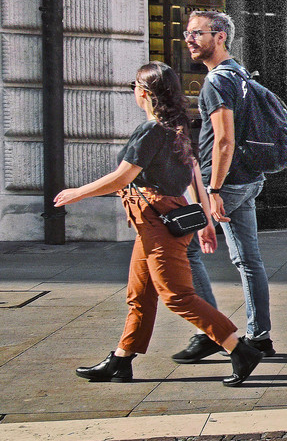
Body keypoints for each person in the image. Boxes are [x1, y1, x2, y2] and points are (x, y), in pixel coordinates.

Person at [54, 62, 266, 386]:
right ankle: (121, 360)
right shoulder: (177, 127)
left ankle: (239, 349)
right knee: (139, 295)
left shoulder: (151, 130)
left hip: (158, 220)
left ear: (144, 92)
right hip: (161, 218)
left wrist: (78, 193)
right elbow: (195, 174)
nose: (134, 93)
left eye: (134, 87)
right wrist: (206, 221)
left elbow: (123, 177)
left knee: (177, 296)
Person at [175, 10, 276, 365]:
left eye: (197, 33)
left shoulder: (218, 81)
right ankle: (259, 337)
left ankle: (211, 332)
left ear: (220, 37)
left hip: (227, 184)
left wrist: (213, 191)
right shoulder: (241, 74)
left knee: (184, 248)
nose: (189, 39)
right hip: (248, 180)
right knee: (248, 260)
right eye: (187, 33)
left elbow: (223, 141)